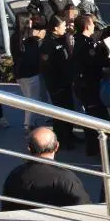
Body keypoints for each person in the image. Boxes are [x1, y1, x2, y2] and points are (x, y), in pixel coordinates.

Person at [1, 127, 91, 211]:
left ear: (29, 148)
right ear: (57, 147)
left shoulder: (15, 174)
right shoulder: (67, 178)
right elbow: (84, 207)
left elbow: (6, 207)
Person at [72, 14, 110, 156]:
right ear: (87, 26)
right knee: (95, 117)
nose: (94, 26)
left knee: (95, 115)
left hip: (87, 85)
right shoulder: (85, 44)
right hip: (87, 86)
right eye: (93, 23)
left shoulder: (81, 40)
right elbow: (95, 62)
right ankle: (96, 149)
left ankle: (95, 147)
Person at [40, 15, 78, 146]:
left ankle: (69, 134)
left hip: (66, 81)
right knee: (60, 113)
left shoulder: (63, 39)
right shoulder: (48, 43)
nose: (65, 28)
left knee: (69, 109)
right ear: (55, 28)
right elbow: (46, 67)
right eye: (63, 26)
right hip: (56, 84)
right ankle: (61, 139)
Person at [13, 14, 48, 131]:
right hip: (31, 73)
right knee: (32, 100)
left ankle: (29, 123)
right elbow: (41, 33)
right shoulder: (29, 36)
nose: (33, 22)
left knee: (28, 98)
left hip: (19, 73)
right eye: (31, 20)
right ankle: (28, 124)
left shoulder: (15, 35)